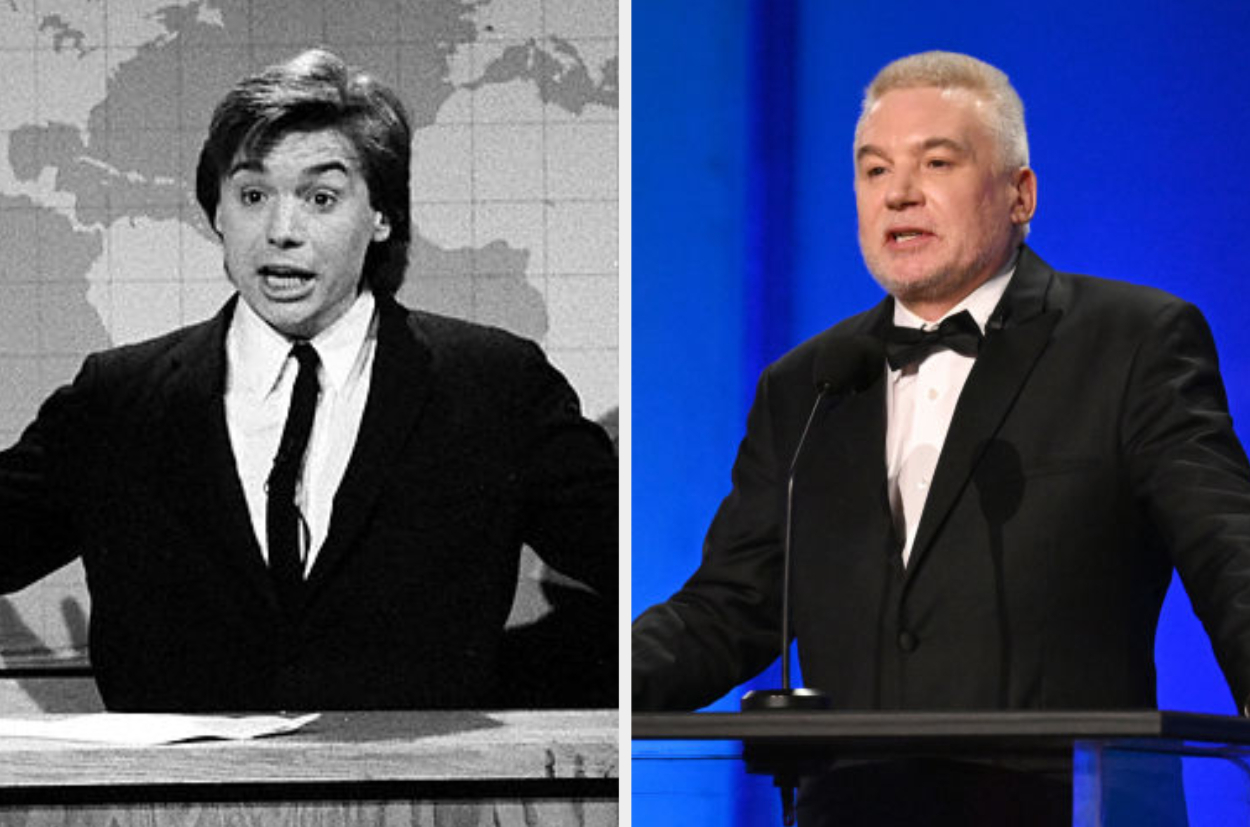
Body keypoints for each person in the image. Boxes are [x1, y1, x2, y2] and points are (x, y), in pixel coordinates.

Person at [632, 50, 1250, 824]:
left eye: (936, 162)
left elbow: (1230, 552)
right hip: (854, 809)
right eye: (873, 170)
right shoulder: (808, 385)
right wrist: (606, 685)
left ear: (1020, 194)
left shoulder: (1131, 341)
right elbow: (734, 603)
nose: (899, 194)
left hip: (1064, 807)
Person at [0, 49, 617, 712]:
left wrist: (505, 696)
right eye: (253, 195)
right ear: (218, 214)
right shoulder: (117, 402)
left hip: (423, 806)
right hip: (175, 810)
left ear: (382, 215)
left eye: (321, 198)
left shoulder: (495, 388)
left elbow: (663, 572)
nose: (281, 231)